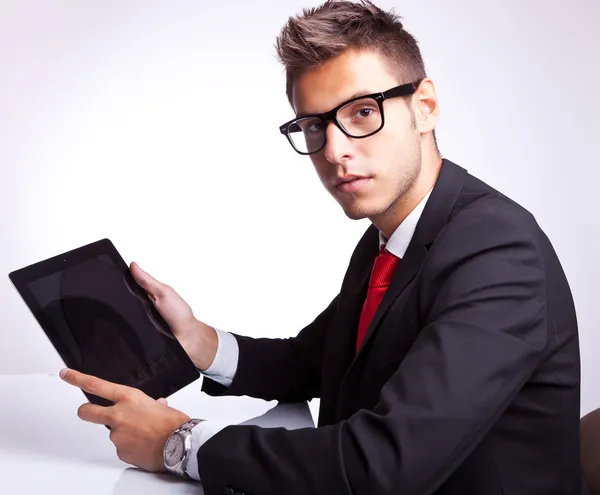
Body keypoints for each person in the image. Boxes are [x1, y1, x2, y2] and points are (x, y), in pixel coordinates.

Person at [60, 0, 585, 493]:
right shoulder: (390, 238)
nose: (335, 151)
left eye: (361, 113)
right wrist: (200, 341)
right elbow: (313, 361)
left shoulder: (497, 251)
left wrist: (179, 443)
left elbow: (387, 463)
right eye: (315, 125)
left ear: (424, 107)